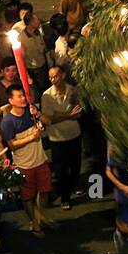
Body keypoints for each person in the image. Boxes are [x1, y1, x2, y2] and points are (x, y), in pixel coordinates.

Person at [0, 87, 50, 236]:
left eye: (23, 95)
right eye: (19, 96)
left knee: (45, 190)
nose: (23, 98)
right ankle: (34, 222)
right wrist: (31, 138)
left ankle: (39, 216)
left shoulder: (31, 111)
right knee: (27, 196)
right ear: (11, 100)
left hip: (41, 160)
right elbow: (11, 145)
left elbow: (49, 121)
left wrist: (38, 114)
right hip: (24, 164)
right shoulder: (7, 121)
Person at [40, 65, 84, 211]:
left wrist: (61, 115)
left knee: (75, 163)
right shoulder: (46, 96)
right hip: (57, 138)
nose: (53, 79)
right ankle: (65, 197)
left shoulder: (72, 91)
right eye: (50, 77)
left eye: (56, 76)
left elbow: (78, 113)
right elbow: (49, 118)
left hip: (74, 134)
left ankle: (74, 185)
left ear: (63, 75)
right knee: (60, 169)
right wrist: (68, 115)